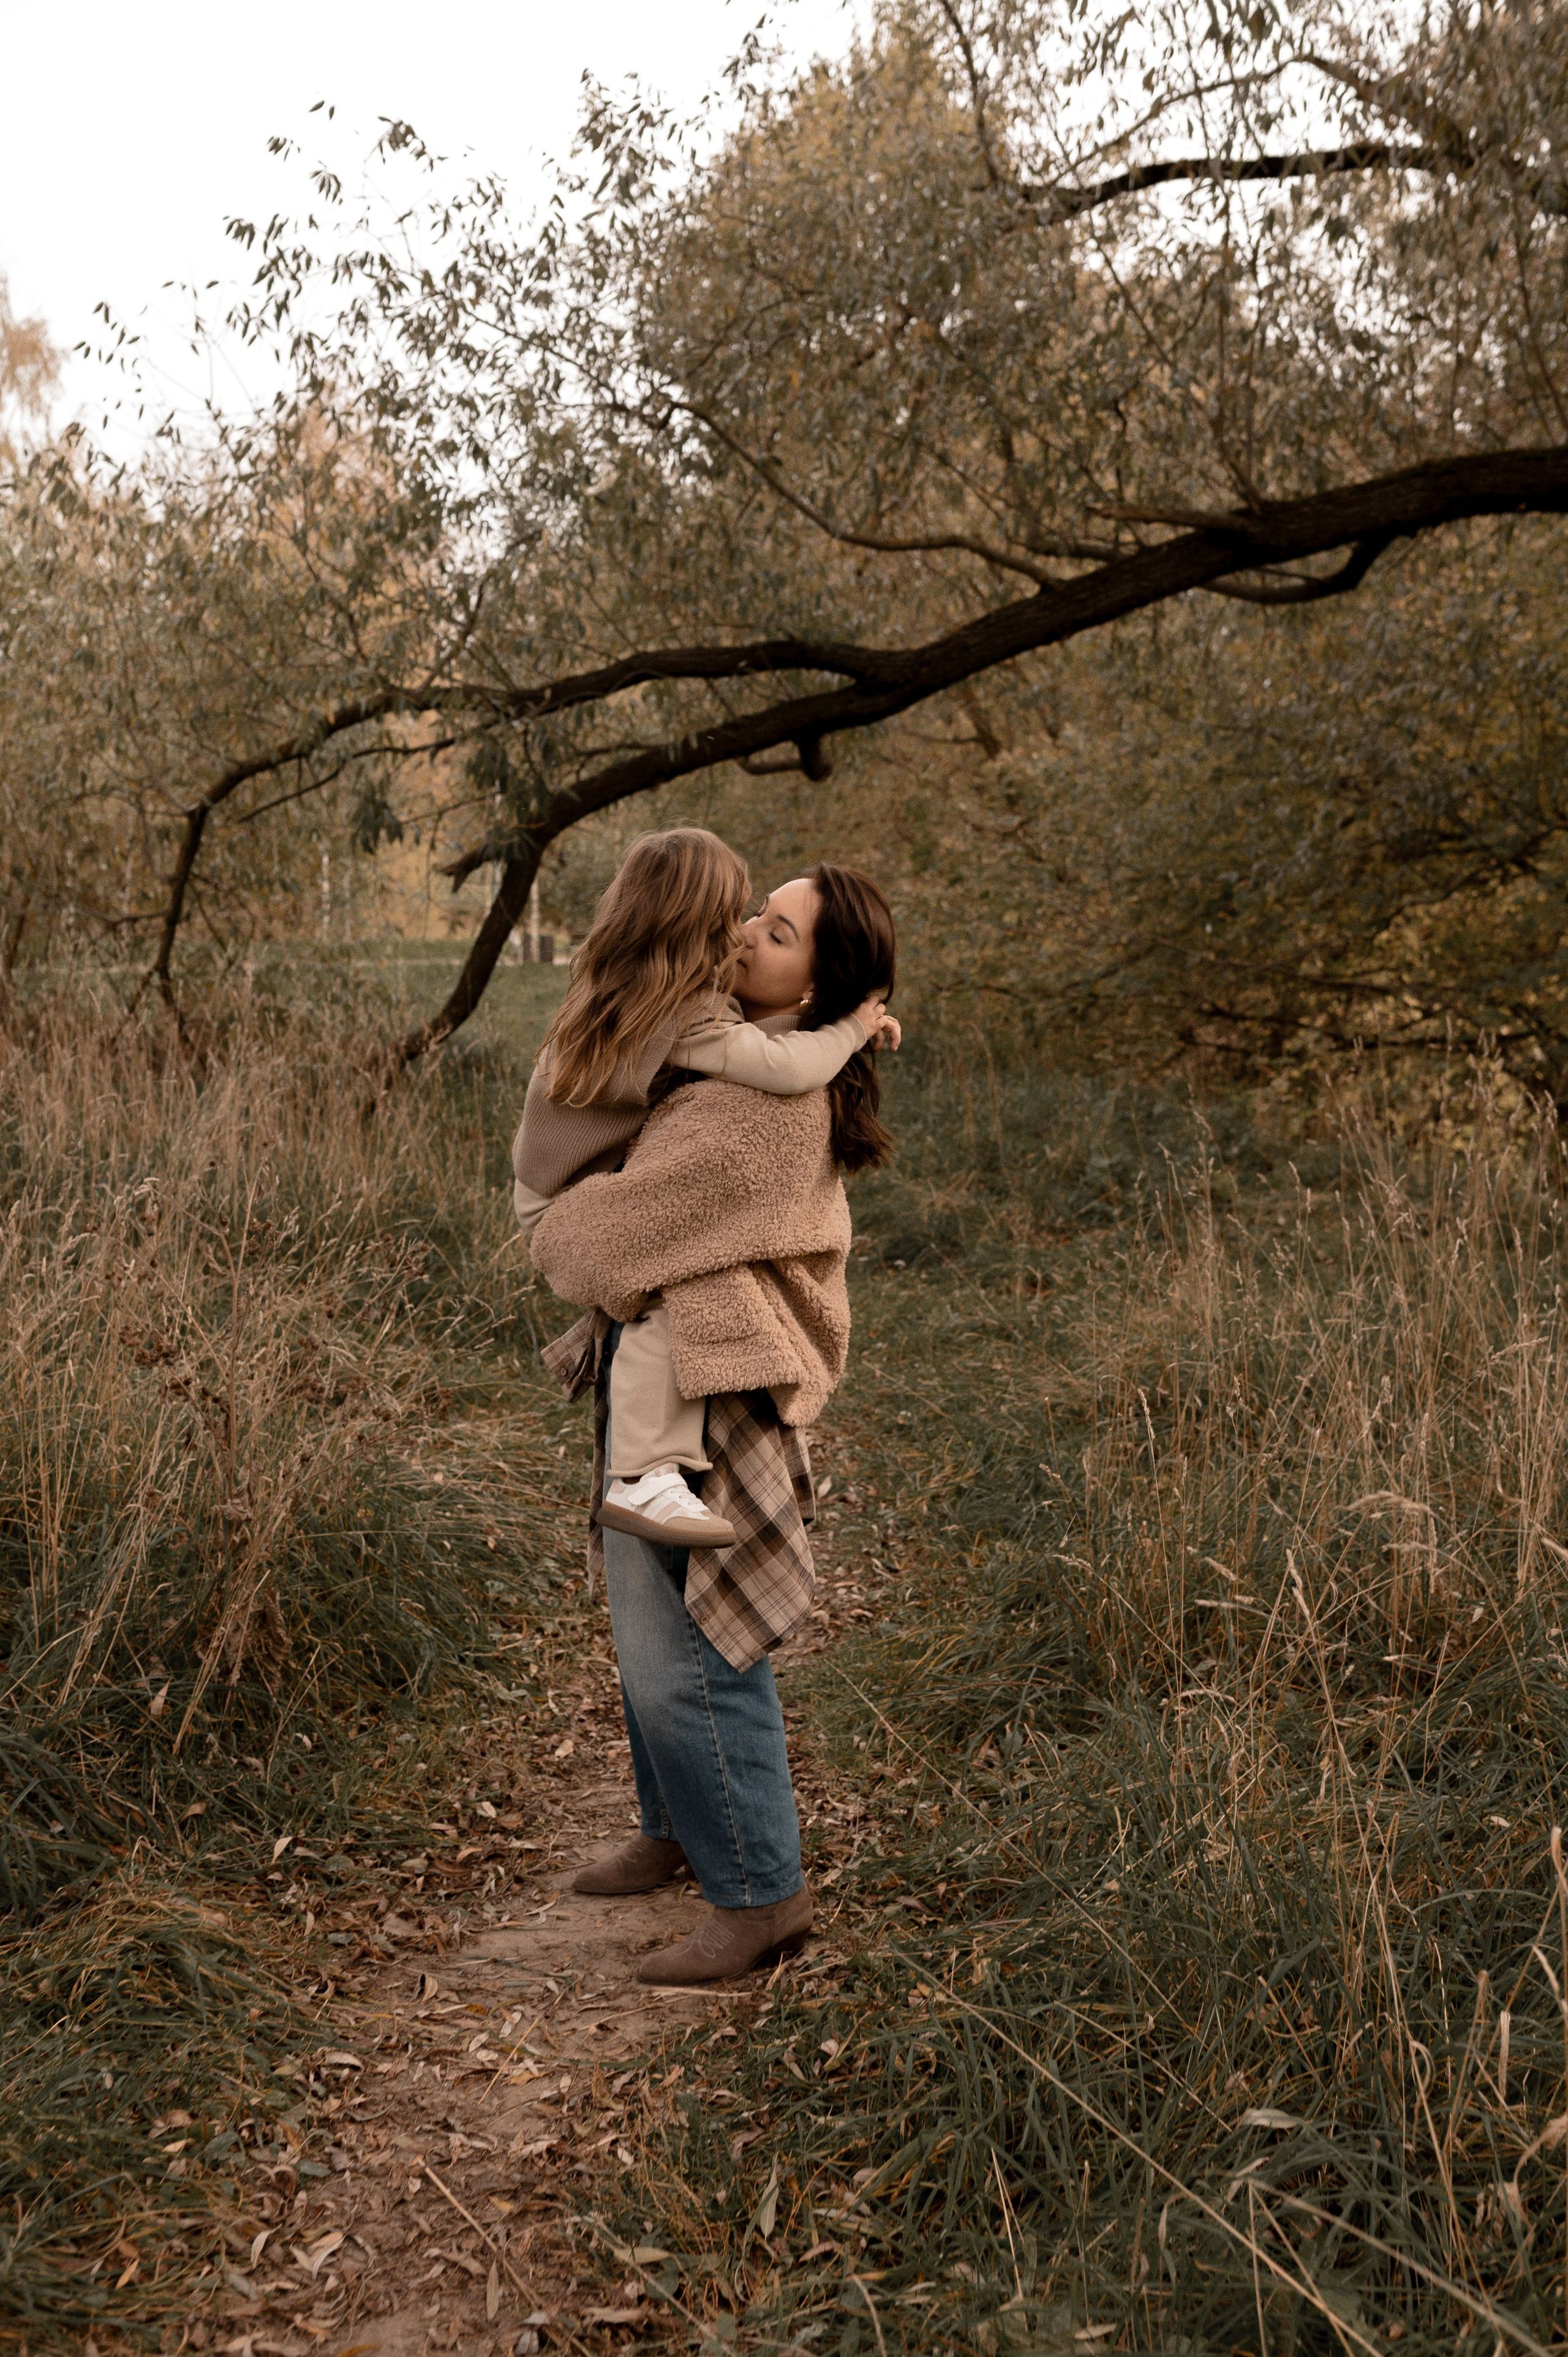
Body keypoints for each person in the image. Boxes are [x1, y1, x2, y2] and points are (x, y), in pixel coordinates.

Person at [530, 865, 899, 1983]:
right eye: (756, 911)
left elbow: (595, 1244)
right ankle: (678, 1826)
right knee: (642, 1616)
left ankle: (760, 1888)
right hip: (670, 1369)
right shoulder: (733, 1055)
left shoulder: (759, 1108)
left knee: (690, 1647)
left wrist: (559, 1220)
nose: (745, 933)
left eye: (777, 931)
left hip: (713, 1401)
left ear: (817, 982)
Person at [511, 828, 894, 1550]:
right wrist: (849, 1026)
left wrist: (849, 1023)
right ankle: (643, 1472)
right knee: (669, 1293)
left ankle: (644, 1470)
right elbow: (782, 1065)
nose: (742, 936)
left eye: (766, 927)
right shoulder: (683, 1012)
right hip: (569, 1192)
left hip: (563, 1178)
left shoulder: (649, 987)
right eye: (741, 917)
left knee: (669, 1281)